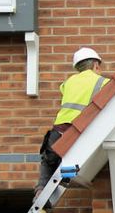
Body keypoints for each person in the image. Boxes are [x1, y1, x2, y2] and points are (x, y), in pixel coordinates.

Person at [36, 47, 109, 193]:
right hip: (78, 130)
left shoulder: (68, 82)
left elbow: (64, 92)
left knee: (49, 160)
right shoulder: (102, 82)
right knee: (71, 162)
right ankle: (65, 179)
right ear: (95, 65)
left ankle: (41, 188)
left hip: (58, 129)